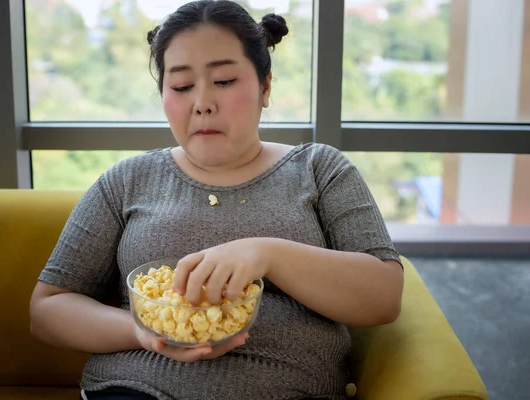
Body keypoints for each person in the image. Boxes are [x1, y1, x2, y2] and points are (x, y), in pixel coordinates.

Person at [29, 1, 404, 399]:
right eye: (181, 86)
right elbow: (47, 309)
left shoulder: (320, 169)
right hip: (136, 387)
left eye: (223, 80)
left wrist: (268, 254)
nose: (202, 102)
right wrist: (143, 331)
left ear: (265, 86)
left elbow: (383, 296)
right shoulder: (126, 181)